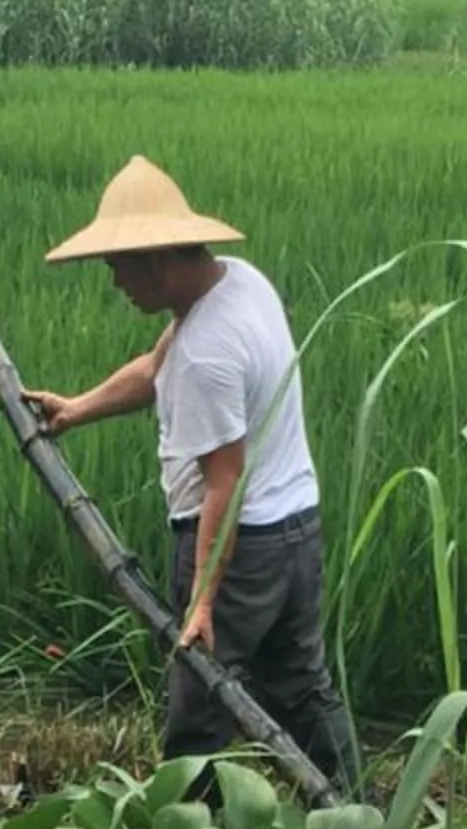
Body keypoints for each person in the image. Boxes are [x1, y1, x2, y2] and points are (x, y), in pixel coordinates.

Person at [24, 156, 358, 793]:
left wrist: (204, 599)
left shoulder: (207, 350)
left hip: (241, 554)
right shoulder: (237, 283)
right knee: (304, 690)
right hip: (295, 532)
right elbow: (156, 369)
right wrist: (76, 409)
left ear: (157, 258)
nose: (115, 282)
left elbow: (224, 485)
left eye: (119, 266)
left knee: (198, 717)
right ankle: (358, 819)